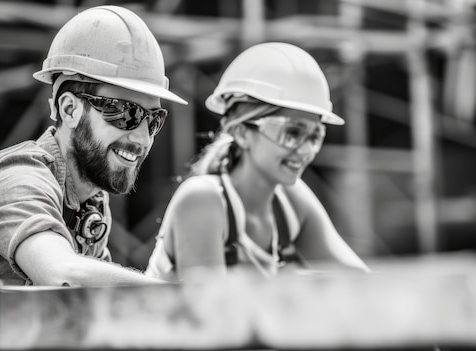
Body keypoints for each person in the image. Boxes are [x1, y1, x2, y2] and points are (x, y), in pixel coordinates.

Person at [0, 5, 188, 286]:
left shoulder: (90, 203)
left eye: (154, 119)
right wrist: (181, 296)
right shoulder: (17, 178)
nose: (143, 138)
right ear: (70, 109)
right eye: (126, 113)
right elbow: (62, 274)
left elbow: (87, 308)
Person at [145, 42, 370, 282]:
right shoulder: (202, 200)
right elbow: (211, 312)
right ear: (242, 132)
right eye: (291, 133)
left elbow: (364, 284)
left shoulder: (291, 202)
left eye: (315, 136)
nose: (305, 150)